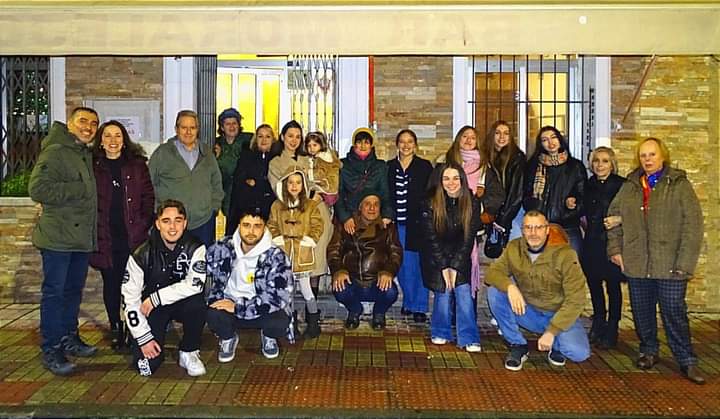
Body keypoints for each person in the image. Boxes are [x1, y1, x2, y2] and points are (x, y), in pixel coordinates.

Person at [607, 137, 705, 384]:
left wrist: (685, 263)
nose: (647, 160)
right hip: (637, 263)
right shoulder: (630, 185)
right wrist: (616, 250)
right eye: (643, 156)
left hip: (670, 264)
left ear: (663, 156)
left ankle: (686, 360)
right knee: (642, 311)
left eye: (652, 155)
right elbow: (613, 218)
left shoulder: (679, 185)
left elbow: (693, 227)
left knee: (674, 311)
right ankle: (648, 350)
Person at [29, 106, 100, 376]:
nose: (88, 127)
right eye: (83, 121)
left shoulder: (81, 152)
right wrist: (79, 189)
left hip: (78, 239)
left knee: (72, 292)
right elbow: (38, 189)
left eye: (93, 123)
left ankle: (69, 337)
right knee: (54, 294)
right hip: (58, 239)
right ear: (69, 123)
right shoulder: (57, 151)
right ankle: (51, 348)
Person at [486, 210, 590, 371]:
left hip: (558, 314)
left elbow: (577, 299)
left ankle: (555, 343)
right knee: (495, 292)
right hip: (529, 312)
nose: (533, 233)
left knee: (579, 353)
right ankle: (518, 344)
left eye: (538, 227)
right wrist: (510, 287)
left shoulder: (566, 255)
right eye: (528, 228)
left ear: (547, 229)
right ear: (522, 230)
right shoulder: (514, 247)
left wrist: (552, 331)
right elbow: (492, 273)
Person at [89, 120, 155, 351]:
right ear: (101, 140)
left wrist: (143, 224)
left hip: (132, 236)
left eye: (117, 136)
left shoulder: (137, 166)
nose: (113, 141)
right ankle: (115, 326)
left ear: (124, 140)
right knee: (111, 284)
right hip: (105, 236)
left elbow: (148, 198)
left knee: (135, 284)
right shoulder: (92, 165)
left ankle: (133, 326)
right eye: (107, 136)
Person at [122, 200, 207, 377]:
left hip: (176, 303)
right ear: (158, 223)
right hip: (152, 308)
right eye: (166, 221)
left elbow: (196, 284)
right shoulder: (140, 253)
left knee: (197, 303)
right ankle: (138, 338)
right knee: (146, 367)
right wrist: (144, 338)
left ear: (185, 223)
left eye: (178, 220)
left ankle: (189, 351)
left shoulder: (196, 247)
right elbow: (129, 300)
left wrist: (157, 297)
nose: (173, 227)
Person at [206, 207, 295, 361]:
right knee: (212, 312)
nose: (251, 231)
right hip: (229, 306)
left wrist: (239, 307)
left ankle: (269, 337)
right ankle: (228, 338)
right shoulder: (223, 247)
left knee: (280, 319)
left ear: (264, 227)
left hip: (259, 309)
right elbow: (201, 266)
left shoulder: (276, 255)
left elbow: (279, 297)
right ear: (238, 226)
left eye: (257, 226)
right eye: (246, 225)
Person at [419, 163, 482, 352]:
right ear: (440, 181)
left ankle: (469, 336)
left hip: (460, 255)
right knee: (444, 289)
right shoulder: (430, 202)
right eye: (446, 178)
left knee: (463, 291)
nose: (451, 183)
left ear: (462, 180)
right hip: (436, 256)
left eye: (455, 178)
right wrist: (444, 267)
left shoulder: (472, 202)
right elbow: (431, 239)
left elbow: (468, 238)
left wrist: (455, 266)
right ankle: (440, 331)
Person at [269, 121, 333, 292]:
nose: (294, 140)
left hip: (317, 212)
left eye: (298, 136)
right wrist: (309, 196)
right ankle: (288, 307)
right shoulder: (275, 163)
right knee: (290, 259)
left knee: (317, 257)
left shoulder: (310, 159)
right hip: (290, 215)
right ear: (282, 137)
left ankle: (312, 308)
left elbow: (326, 180)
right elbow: (280, 190)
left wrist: (322, 191)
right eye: (290, 136)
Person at [442, 125, 504, 299]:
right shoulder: (446, 164)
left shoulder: (484, 168)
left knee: (467, 268)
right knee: (449, 268)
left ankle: (469, 312)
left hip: (472, 227)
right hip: (449, 227)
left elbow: (498, 195)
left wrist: (478, 205)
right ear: (458, 140)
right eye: (464, 137)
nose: (468, 141)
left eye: (472, 138)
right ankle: (452, 314)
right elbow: (435, 192)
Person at [149, 110, 223, 247]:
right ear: (176, 129)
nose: (188, 132)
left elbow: (217, 183)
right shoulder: (162, 153)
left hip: (203, 222)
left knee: (200, 264)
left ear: (197, 130)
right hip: (172, 224)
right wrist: (158, 211)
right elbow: (148, 184)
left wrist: (214, 208)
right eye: (184, 127)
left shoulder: (206, 153)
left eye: (192, 128)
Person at [328, 193, 402, 330]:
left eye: (376, 205)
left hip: (377, 281)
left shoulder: (388, 227)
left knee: (391, 292)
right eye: (368, 204)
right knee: (339, 288)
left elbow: (396, 253)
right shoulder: (346, 225)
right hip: (352, 280)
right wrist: (338, 270)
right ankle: (354, 310)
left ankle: (379, 313)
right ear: (360, 207)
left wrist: (388, 271)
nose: (372, 208)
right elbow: (334, 249)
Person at [267, 167, 324, 338]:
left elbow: (317, 225)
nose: (294, 186)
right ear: (284, 184)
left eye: (298, 183)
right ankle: (290, 324)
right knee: (287, 290)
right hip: (284, 252)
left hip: (303, 253)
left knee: (306, 290)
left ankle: (313, 323)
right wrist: (276, 238)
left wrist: (310, 239)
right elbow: (271, 224)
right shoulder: (277, 206)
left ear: (303, 185)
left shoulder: (310, 205)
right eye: (290, 182)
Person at [387, 129, 433, 323]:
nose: (406, 145)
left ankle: (420, 307)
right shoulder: (389, 167)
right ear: (397, 144)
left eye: (410, 142)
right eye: (402, 142)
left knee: (418, 265)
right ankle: (409, 301)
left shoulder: (424, 166)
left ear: (415, 145)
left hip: (418, 224)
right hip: (397, 224)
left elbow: (431, 194)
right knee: (403, 266)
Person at [581, 147, 625, 349]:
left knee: (613, 286)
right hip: (591, 241)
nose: (600, 164)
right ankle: (599, 322)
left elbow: (634, 212)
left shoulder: (622, 185)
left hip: (612, 242)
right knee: (594, 283)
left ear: (612, 164)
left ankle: (613, 327)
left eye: (605, 161)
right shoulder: (587, 185)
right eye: (597, 161)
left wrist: (620, 220)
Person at [523, 125, 586, 255]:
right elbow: (526, 195)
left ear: (560, 139)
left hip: (568, 227)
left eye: (553, 137)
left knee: (571, 268)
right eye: (545, 140)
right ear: (541, 144)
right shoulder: (533, 166)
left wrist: (572, 205)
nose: (550, 143)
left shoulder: (575, 166)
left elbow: (583, 196)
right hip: (540, 227)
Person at [226, 124, 283, 236]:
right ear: (255, 139)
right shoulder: (246, 157)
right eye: (260, 136)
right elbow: (239, 183)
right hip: (248, 211)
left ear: (273, 140)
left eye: (268, 136)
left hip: (271, 211)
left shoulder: (278, 159)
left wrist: (256, 183)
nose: (264, 140)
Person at [336, 128, 393, 235]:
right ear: (354, 144)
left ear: (371, 145)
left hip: (372, 217)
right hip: (350, 218)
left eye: (366, 142)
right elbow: (339, 194)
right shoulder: (342, 165)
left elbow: (385, 193)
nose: (363, 146)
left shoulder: (380, 166)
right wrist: (345, 217)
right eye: (359, 142)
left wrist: (386, 214)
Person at [486, 120, 525, 242]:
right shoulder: (484, 156)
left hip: (513, 210)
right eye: (498, 133)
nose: (502, 137)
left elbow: (516, 193)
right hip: (492, 210)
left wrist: (503, 218)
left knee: (515, 248)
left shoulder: (517, 158)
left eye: (506, 133)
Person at [214, 108, 253, 218]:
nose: (231, 127)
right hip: (227, 195)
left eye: (234, 123)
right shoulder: (215, 144)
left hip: (246, 194)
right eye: (227, 124)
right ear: (222, 127)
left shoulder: (249, 140)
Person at [305, 131, 341, 210]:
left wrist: (309, 172)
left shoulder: (323, 158)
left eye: (315, 145)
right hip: (328, 190)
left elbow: (320, 173)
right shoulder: (319, 157)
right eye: (309, 146)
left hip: (327, 189)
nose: (311, 148)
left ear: (321, 145)